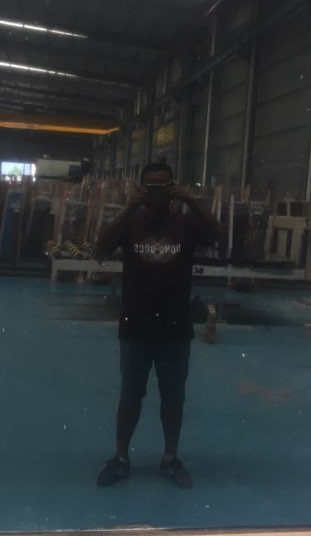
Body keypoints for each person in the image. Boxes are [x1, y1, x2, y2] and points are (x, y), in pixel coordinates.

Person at [95, 162, 221, 489]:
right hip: (136, 324)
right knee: (130, 395)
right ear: (141, 189)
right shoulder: (131, 221)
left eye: (163, 186)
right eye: (150, 186)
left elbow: (218, 237)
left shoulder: (185, 223)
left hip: (174, 326)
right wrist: (128, 208)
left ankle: (170, 458)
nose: (156, 193)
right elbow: (100, 247)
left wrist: (192, 200)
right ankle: (121, 458)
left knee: (173, 397)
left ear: (173, 188)